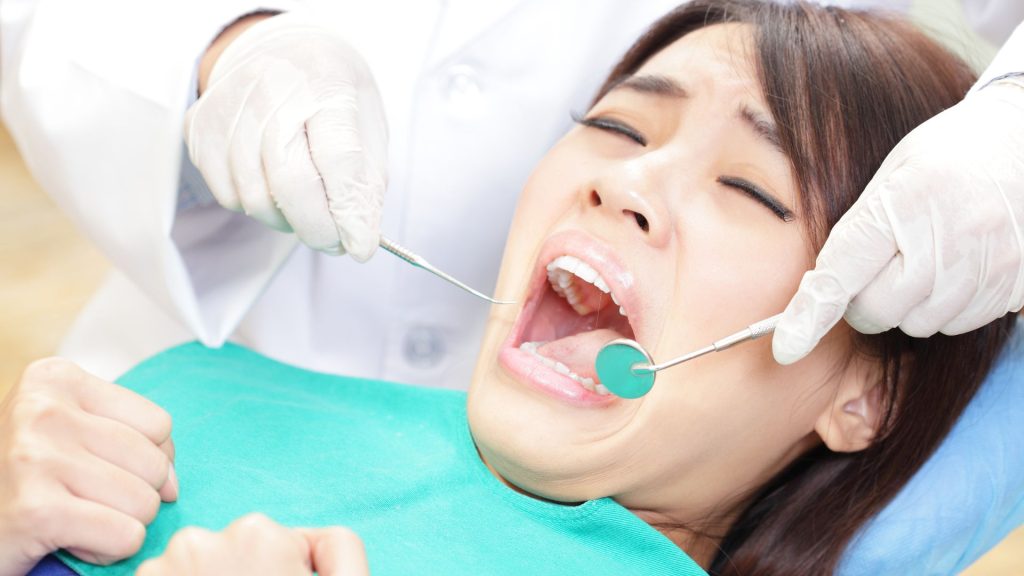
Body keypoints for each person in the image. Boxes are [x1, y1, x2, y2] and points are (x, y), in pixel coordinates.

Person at [5, 2, 1019, 574]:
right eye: (619, 126)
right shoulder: (176, 413)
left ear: (867, 393)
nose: (622, 180)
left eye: (750, 189)